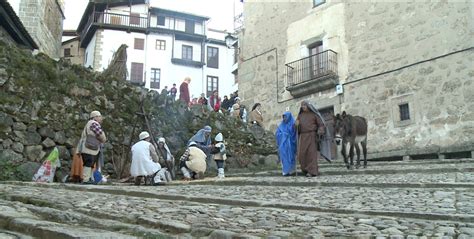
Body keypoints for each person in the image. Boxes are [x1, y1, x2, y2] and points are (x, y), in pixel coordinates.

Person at [295, 101, 331, 177]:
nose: (303, 107)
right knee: (302, 154)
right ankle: (305, 169)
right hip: (303, 137)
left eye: (304, 105)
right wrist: (296, 125)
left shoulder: (314, 115)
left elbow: (321, 124)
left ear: (308, 106)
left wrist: (320, 130)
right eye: (302, 106)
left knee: (311, 154)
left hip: (312, 135)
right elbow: (296, 128)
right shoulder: (300, 116)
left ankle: (312, 171)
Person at [76, 110, 107, 184]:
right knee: (89, 163)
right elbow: (100, 134)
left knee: (90, 163)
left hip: (87, 147)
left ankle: (89, 178)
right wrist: (104, 138)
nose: (101, 118)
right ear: (95, 117)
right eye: (99, 116)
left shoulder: (89, 123)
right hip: (89, 148)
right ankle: (86, 179)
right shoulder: (94, 123)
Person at [276, 112, 297, 176]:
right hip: (283, 145)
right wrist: (283, 135)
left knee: (291, 157)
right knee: (284, 157)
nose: (284, 118)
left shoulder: (293, 124)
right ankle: (285, 171)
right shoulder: (281, 125)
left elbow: (295, 133)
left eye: (286, 117)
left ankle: (292, 171)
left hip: (291, 145)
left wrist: (290, 136)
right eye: (284, 117)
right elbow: (277, 134)